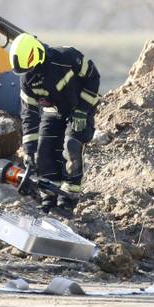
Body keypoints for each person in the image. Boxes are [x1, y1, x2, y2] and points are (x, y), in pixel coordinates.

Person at [9, 33, 100, 216]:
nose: (29, 73)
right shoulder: (27, 80)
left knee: (71, 145)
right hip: (53, 112)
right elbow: (29, 114)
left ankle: (68, 198)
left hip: (79, 109)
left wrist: (83, 109)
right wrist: (29, 151)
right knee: (43, 152)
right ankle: (49, 197)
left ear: (36, 56)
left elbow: (93, 76)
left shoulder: (66, 57)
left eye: (30, 68)